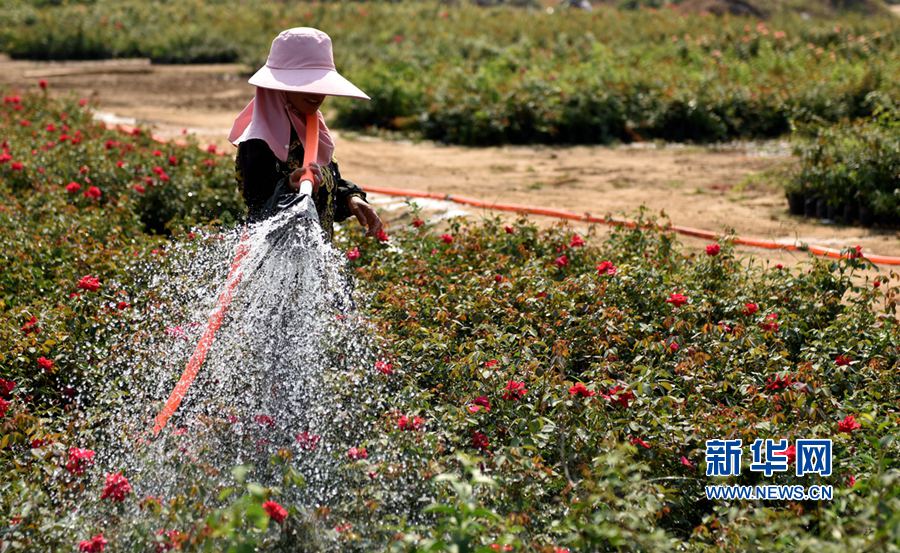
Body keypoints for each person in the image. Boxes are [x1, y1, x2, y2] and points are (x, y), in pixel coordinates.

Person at [229, 27, 383, 243]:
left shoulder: (311, 128)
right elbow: (260, 210)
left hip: (316, 266)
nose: (317, 93)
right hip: (278, 268)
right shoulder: (258, 143)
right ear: (279, 87)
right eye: (305, 84)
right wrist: (288, 187)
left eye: (320, 83)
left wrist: (352, 198)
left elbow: (326, 190)